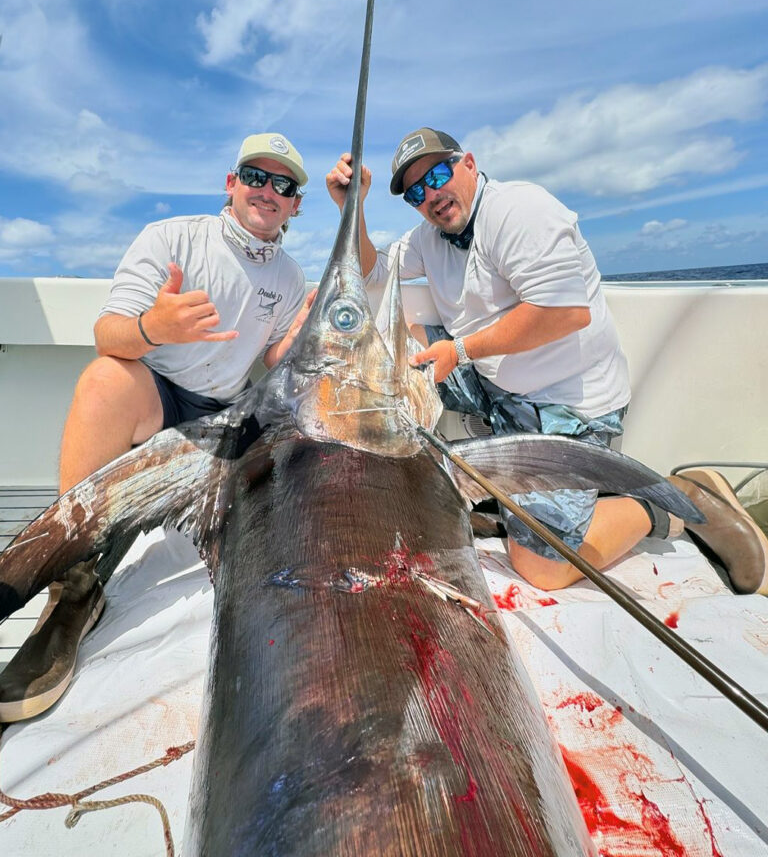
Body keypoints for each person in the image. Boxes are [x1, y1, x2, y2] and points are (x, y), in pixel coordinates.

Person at [326, 127, 768, 596]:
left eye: (438, 174)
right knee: (389, 365)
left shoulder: (520, 210)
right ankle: (478, 497)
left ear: (469, 163)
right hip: (497, 388)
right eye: (416, 192)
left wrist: (457, 351)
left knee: (542, 570)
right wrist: (350, 207)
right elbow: (372, 269)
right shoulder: (428, 237)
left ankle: (678, 499)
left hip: (568, 410)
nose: (431, 194)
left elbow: (563, 312)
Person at [0, 132, 315, 722]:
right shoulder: (171, 238)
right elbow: (108, 337)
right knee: (103, 381)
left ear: (296, 204)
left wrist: (303, 334)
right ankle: (74, 582)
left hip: (225, 408)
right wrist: (155, 327)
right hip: (160, 392)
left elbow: (273, 359)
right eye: (255, 175)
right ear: (231, 182)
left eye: (284, 185)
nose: (267, 191)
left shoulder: (291, 277)